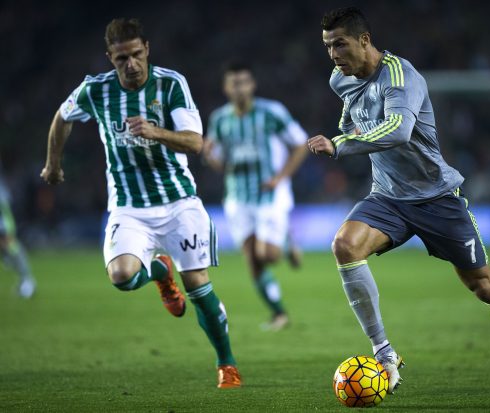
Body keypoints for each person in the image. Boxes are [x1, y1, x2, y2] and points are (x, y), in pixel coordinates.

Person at [308, 7, 490, 400]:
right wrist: (346, 131)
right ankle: (384, 355)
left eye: (340, 44)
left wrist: (340, 145)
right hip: (388, 196)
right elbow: (351, 117)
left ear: (364, 40)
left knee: (485, 286)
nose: (333, 54)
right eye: (328, 46)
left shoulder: (401, 76)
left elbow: (399, 131)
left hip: (436, 198)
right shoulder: (340, 80)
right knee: (344, 245)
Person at [41, 18, 241, 388]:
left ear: (147, 48)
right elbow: (62, 117)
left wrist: (155, 131)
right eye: (121, 58)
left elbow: (195, 143)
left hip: (179, 201)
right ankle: (161, 273)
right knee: (121, 277)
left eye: (135, 55)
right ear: (110, 57)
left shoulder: (170, 84)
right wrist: (54, 163)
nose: (130, 64)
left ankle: (226, 365)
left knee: (198, 285)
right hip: (129, 206)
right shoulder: (95, 90)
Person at [203, 62, 307, 331]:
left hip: (270, 193)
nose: (239, 88)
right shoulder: (219, 120)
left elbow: (299, 144)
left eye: (244, 82)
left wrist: (281, 177)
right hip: (237, 197)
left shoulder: (271, 113)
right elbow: (222, 162)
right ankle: (279, 313)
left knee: (268, 255)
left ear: (252, 85)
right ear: (226, 88)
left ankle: (284, 241)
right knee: (251, 258)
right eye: (234, 83)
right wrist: (209, 155)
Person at [0, 159, 36, 299]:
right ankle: (23, 279)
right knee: (5, 245)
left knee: (8, 241)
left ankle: (28, 280)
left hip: (2, 206)